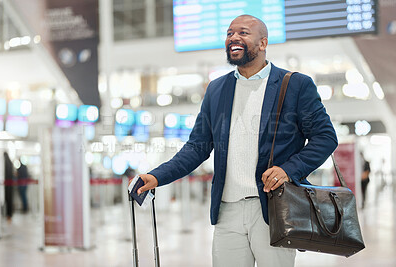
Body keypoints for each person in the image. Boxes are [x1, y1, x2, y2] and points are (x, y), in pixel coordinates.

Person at [135, 15, 338, 267]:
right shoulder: (217, 89)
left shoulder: (295, 85)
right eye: (230, 33)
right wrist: (157, 176)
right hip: (227, 211)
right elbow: (198, 146)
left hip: (274, 209)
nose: (234, 38)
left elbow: (325, 138)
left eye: (243, 33)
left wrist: (288, 170)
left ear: (262, 43)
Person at [4, 152, 14, 222]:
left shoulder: (5, 162)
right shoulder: (10, 162)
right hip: (10, 185)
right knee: (10, 200)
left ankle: (8, 214)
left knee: (8, 200)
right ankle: (9, 214)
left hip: (7, 185)